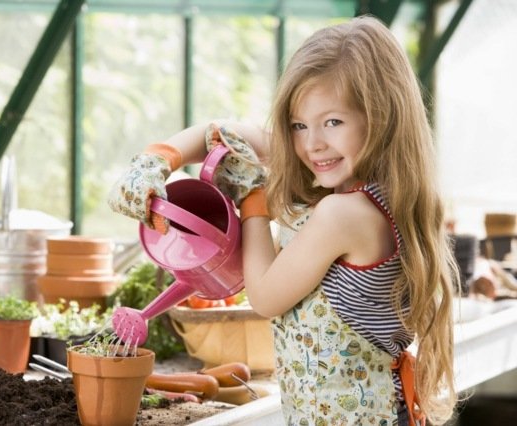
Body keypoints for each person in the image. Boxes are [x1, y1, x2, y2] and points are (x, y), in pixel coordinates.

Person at [108, 15, 458, 426]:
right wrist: (159, 158)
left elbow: (266, 295)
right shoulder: (375, 191)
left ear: (381, 117)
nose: (312, 144)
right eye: (298, 124)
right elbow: (225, 134)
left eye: (333, 122)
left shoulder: (343, 214)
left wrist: (253, 199)